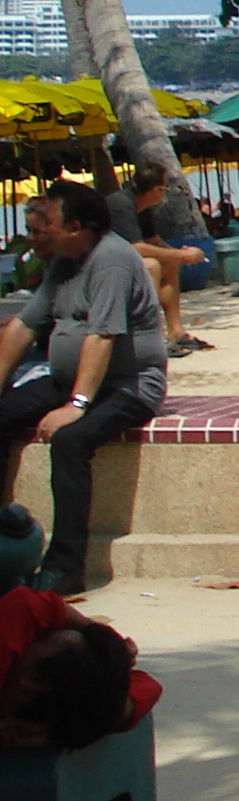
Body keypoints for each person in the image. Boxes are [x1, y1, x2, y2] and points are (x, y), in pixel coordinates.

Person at [0, 184, 174, 597]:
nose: (41, 231)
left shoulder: (111, 260)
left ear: (77, 227)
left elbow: (102, 337)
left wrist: (77, 405)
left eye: (50, 225)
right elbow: (23, 328)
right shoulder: (65, 261)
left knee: (70, 441)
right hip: (68, 381)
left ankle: (65, 567)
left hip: (128, 386)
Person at [0, 579, 158, 749]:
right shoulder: (76, 708)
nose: (32, 635)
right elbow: (148, 687)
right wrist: (56, 734)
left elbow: (27, 605)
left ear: (33, 683)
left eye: (40, 637)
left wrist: (100, 635)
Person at [104, 163, 213, 359]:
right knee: (151, 265)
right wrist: (180, 255)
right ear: (156, 189)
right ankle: (154, 333)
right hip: (105, 262)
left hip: (122, 259)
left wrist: (177, 254)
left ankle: (176, 330)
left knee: (168, 262)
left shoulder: (142, 206)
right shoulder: (120, 204)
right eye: (165, 188)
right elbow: (135, 247)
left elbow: (153, 240)